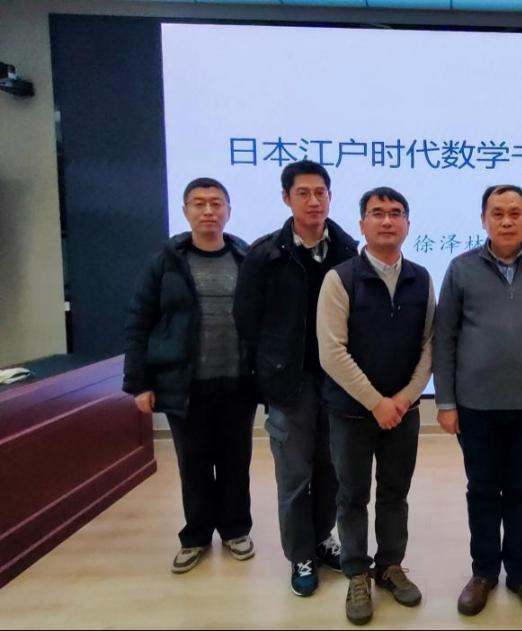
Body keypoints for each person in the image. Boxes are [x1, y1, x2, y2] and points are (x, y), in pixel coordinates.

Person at [433, 185, 522, 620]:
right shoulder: (461, 268)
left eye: (515, 212)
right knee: (481, 490)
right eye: (497, 213)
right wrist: (445, 400)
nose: (507, 221)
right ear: (484, 219)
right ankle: (483, 573)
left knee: (521, 489)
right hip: (475, 405)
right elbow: (445, 337)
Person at [234, 160, 358, 597]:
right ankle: (300, 554)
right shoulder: (265, 254)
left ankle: (322, 538)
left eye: (320, 192)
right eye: (303, 193)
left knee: (331, 469)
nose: (313, 201)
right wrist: (266, 376)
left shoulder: (348, 250)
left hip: (337, 381)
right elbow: (247, 321)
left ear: (330, 197)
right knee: (294, 475)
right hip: (289, 384)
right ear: (286, 198)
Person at [123, 177, 258, 574]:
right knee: (193, 463)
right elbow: (140, 322)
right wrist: (140, 383)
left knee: (236, 462)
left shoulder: (246, 259)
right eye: (199, 203)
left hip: (237, 382)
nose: (208, 211)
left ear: (229, 211)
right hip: (186, 384)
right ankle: (196, 536)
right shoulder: (165, 263)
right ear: (185, 211)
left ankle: (235, 530)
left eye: (216, 203)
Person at [316, 187, 434, 625]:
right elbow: (332, 352)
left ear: (408, 224)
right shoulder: (340, 278)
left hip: (403, 412)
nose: (387, 221)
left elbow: (429, 345)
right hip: (350, 413)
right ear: (362, 224)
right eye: (377, 213)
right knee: (351, 496)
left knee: (394, 494)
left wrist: (404, 399)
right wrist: (375, 402)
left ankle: (390, 566)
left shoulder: (421, 278)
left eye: (396, 213)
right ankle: (356, 573)